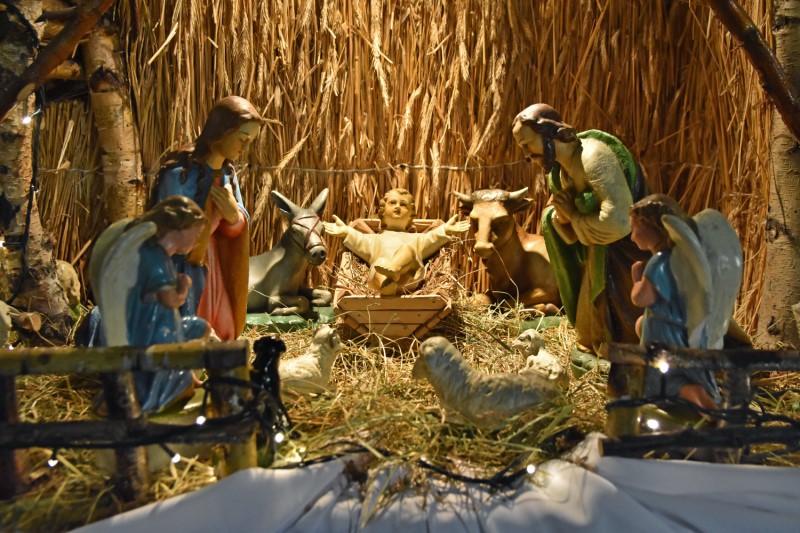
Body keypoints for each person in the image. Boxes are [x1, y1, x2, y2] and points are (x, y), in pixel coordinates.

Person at [512, 103, 649, 363]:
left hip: (629, 255)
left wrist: (574, 217)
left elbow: (620, 221)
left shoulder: (593, 157)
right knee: (587, 335)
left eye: (528, 144)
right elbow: (564, 224)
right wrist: (562, 217)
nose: (527, 155)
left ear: (548, 133)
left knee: (622, 328)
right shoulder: (559, 174)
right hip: (597, 253)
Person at [152, 96, 263, 340]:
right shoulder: (179, 173)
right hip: (184, 268)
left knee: (222, 325)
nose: (245, 148)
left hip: (215, 263)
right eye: (243, 138)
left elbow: (237, 226)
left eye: (250, 141)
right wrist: (209, 220)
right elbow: (169, 231)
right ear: (222, 130)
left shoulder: (228, 174)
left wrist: (234, 217)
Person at [89, 196, 211, 414]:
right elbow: (171, 300)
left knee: (199, 328)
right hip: (150, 333)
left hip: (160, 326)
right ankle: (165, 391)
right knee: (197, 331)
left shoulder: (153, 253)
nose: (197, 240)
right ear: (180, 228)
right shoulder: (155, 259)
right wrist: (184, 286)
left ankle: (186, 378)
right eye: (195, 233)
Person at [629, 194, 720, 410]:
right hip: (675, 330)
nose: (632, 237)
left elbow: (641, 298)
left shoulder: (659, 263)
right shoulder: (677, 259)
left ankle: (699, 399)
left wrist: (636, 279)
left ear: (650, 226)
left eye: (634, 229)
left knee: (659, 380)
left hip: (665, 334)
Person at [323, 188, 469, 295]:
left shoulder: (416, 238)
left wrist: (445, 230)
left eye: (403, 204)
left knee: (408, 250)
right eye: (392, 203)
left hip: (409, 278)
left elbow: (432, 238)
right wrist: (346, 231)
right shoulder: (375, 239)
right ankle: (387, 284)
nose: (398, 206)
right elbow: (359, 240)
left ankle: (394, 268)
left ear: (411, 214)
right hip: (379, 281)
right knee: (379, 264)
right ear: (382, 211)